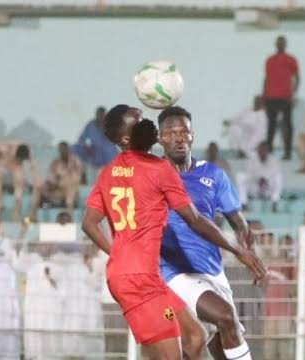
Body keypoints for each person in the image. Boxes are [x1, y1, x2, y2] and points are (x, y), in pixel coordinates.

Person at [81, 104, 266, 359]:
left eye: (145, 120)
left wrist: (119, 253)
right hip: (144, 282)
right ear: (126, 138)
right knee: (181, 346)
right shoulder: (157, 169)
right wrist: (237, 250)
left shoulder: (111, 171)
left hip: (149, 278)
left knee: (195, 337)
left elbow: (89, 223)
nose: (149, 126)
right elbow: (195, 219)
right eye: (140, 123)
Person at [157, 106, 256, 360]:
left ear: (192, 136)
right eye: (170, 132)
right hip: (174, 272)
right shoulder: (154, 177)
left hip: (212, 271)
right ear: (160, 138)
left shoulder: (213, 175)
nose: (178, 137)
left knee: (216, 344)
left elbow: (238, 220)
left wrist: (248, 249)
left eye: (184, 132)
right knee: (225, 317)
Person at [12, 238, 63, 359]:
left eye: (48, 245)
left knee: (51, 344)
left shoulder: (59, 267)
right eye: (42, 245)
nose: (45, 247)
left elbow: (63, 291)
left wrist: (50, 278)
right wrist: (22, 235)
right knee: (33, 342)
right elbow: (16, 262)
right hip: (33, 311)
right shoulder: (31, 263)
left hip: (51, 312)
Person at [0, 141, 41, 221]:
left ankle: (17, 209)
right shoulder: (4, 148)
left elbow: (34, 168)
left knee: (19, 182)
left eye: (22, 160)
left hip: (15, 167)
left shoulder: (28, 153)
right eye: (19, 159)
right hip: (1, 164)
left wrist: (36, 181)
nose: (20, 161)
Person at [263, 35, 300, 160]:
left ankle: (288, 152)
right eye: (278, 43)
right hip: (270, 97)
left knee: (287, 125)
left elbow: (297, 78)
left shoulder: (291, 59)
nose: (280, 45)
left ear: (285, 45)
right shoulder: (270, 60)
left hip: (285, 97)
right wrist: (264, 95)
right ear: (275, 44)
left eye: (282, 43)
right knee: (271, 126)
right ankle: (268, 151)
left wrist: (293, 94)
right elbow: (266, 78)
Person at [236, 141, 283, 213]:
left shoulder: (274, 160)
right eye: (260, 150)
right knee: (240, 176)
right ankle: (244, 204)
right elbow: (249, 173)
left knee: (278, 177)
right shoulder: (252, 159)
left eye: (264, 150)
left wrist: (264, 178)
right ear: (257, 151)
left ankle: (274, 203)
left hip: (268, 189)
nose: (262, 152)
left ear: (268, 151)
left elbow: (274, 172)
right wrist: (259, 178)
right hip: (255, 187)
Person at [40, 142, 83, 211]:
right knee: (41, 188)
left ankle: (70, 217)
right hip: (58, 191)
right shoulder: (55, 163)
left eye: (64, 149)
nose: (63, 151)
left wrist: (63, 178)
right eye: (61, 149)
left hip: (71, 192)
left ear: (68, 149)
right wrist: (56, 181)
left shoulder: (76, 162)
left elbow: (77, 179)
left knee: (70, 191)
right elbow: (51, 178)